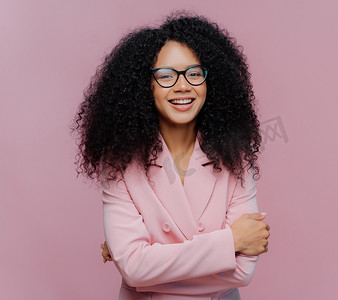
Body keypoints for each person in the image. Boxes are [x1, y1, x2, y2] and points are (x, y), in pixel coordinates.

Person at [73, 12, 270, 300]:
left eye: (194, 73)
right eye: (166, 76)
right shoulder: (119, 163)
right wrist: (232, 241)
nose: (182, 85)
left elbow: (241, 272)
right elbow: (135, 270)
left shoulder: (236, 156)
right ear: (146, 86)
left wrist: (152, 263)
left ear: (209, 81)